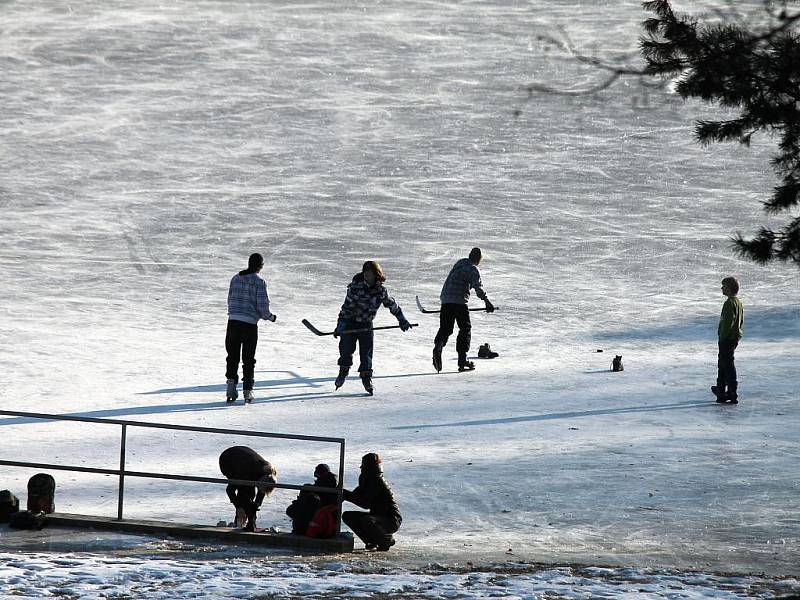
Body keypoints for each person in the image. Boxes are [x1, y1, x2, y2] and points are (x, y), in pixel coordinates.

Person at [334, 261, 412, 395]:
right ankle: (343, 371)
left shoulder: (380, 290)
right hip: (350, 324)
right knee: (346, 350)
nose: (367, 278)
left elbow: (391, 305)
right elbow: (346, 308)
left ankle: (366, 378)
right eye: (365, 275)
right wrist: (340, 325)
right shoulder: (355, 288)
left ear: (376, 275)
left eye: (369, 275)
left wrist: (401, 319)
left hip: (366, 326)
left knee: (366, 354)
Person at [432, 247, 494, 373]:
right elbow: (478, 287)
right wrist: (487, 302)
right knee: (465, 328)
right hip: (459, 301)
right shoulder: (473, 269)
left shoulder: (459, 263)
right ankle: (462, 360)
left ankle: (438, 346)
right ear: (478, 259)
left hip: (446, 300)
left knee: (446, 328)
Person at [225, 253, 277, 403]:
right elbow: (262, 306)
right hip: (249, 325)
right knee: (248, 359)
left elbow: (230, 299)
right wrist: (270, 317)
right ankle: (247, 390)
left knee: (232, 357)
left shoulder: (235, 278)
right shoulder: (259, 281)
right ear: (260, 266)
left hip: (233, 322)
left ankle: (230, 386)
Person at [342, 452, 401, 551]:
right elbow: (355, 495)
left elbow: (365, 503)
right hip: (378, 516)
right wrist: (344, 494)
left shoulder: (376, 480)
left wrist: (346, 495)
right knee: (348, 516)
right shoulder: (368, 479)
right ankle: (372, 541)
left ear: (368, 466)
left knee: (368, 520)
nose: (360, 467)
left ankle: (386, 540)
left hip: (391, 519)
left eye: (363, 464)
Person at [218, 446, 277, 531]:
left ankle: (246, 521)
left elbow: (262, 491)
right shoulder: (244, 473)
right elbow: (230, 490)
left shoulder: (270, 474)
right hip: (227, 459)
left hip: (245, 459)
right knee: (245, 493)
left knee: (248, 494)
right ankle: (240, 519)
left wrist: (256, 505)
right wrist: (238, 507)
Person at [712, 277, 744, 404]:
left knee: (726, 364)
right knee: (723, 363)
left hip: (727, 338)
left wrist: (723, 335)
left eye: (723, 286)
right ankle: (721, 389)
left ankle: (731, 391)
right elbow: (740, 321)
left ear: (729, 288)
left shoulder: (729, 303)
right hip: (733, 337)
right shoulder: (738, 302)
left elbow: (727, 322)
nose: (721, 288)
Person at [286, 463, 339, 535]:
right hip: (327, 526)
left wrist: (300, 500)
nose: (316, 479)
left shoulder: (314, 495)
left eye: (317, 477)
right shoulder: (332, 488)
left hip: (314, 526)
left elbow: (290, 511)